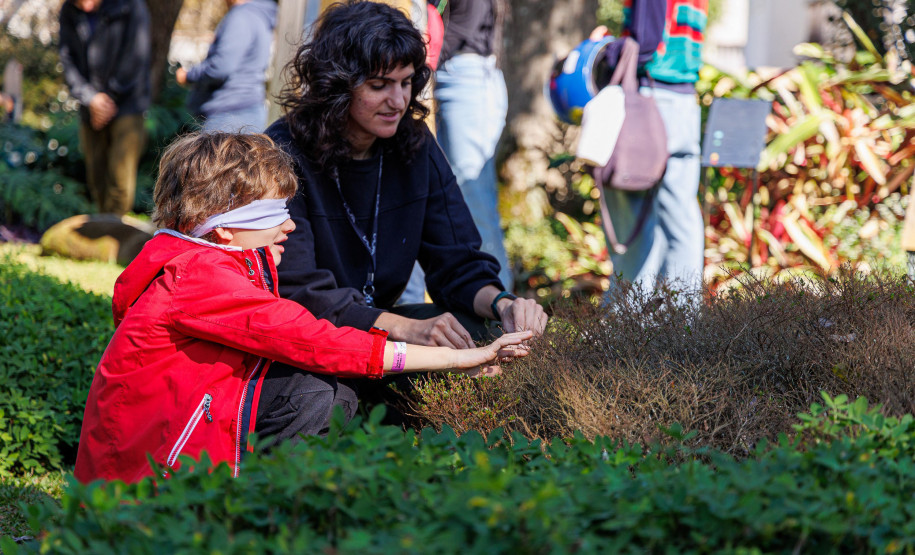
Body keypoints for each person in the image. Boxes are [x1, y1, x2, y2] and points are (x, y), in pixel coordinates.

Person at [73, 132, 532, 484]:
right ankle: (266, 513)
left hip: (162, 456)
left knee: (331, 390)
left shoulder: (200, 261)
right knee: (313, 391)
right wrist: (461, 358)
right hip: (143, 485)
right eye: (272, 215)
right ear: (224, 228)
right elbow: (317, 340)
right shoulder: (200, 277)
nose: (290, 225)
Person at [262, 0, 545, 438]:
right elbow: (299, 291)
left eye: (407, 82)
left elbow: (458, 262)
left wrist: (506, 305)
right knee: (319, 396)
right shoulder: (282, 152)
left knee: (489, 335)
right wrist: (409, 329)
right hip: (308, 341)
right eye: (379, 85)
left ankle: (473, 444)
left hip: (384, 329)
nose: (398, 100)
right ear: (337, 85)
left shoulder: (413, 145)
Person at [593, 0, 707, 298]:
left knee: (633, 224)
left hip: (649, 100)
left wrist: (606, 49)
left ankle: (625, 332)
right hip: (683, 99)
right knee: (679, 218)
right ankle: (684, 328)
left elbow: (645, 45)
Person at [400, 0, 512, 303]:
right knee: (429, 197)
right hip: (453, 68)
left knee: (472, 205)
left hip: (465, 71)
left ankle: (502, 317)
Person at [59, 0, 150, 216]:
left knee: (120, 178)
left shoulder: (131, 6)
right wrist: (91, 99)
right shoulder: (69, 11)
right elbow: (67, 58)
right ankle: (102, 231)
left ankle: (115, 235)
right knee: (96, 175)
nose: (85, 5)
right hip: (91, 107)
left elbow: (136, 55)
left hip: (128, 104)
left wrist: (108, 99)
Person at [176, 0, 277, 133]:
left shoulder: (241, 17)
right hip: (246, 110)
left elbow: (221, 67)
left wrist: (189, 75)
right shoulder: (258, 14)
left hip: (229, 115)